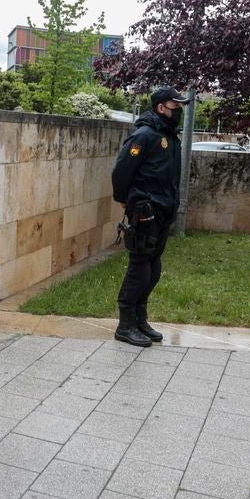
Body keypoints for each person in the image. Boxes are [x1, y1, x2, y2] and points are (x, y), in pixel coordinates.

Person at [109, 86, 184, 347]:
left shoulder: (171, 137)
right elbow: (121, 171)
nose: (179, 111)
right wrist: (124, 199)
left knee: (153, 266)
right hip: (145, 210)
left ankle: (140, 319)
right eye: (176, 106)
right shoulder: (144, 135)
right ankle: (125, 324)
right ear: (161, 107)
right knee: (139, 266)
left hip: (164, 210)